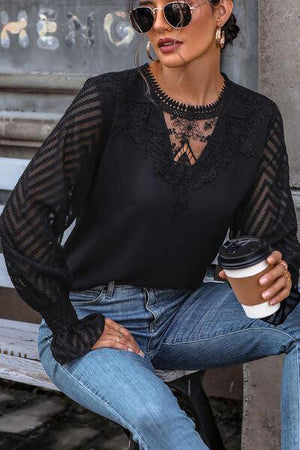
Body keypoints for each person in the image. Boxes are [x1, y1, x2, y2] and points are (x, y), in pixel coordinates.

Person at [0, 0, 299, 448]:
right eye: (146, 14)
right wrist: (67, 322)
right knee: (159, 417)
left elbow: (270, 235)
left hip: (186, 314)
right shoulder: (109, 97)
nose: (159, 25)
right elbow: (24, 214)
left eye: (176, 10)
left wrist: (278, 269)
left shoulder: (256, 118)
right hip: (90, 316)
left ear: (221, 12)